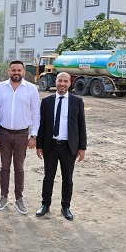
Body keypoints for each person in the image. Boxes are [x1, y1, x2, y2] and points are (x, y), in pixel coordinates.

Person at [35, 72, 87, 221]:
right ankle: (45, 204)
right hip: (50, 146)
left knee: (67, 179)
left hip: (69, 147)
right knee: (48, 177)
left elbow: (81, 126)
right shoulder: (47, 101)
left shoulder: (77, 101)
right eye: (59, 81)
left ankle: (66, 207)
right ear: (55, 82)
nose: (62, 84)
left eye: (65, 81)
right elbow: (42, 125)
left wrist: (82, 147)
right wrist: (39, 146)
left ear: (70, 83)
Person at [0, 60, 40, 215]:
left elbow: (36, 114)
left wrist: (34, 135)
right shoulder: (1, 87)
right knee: (4, 167)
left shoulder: (31, 89)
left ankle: (19, 198)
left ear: (23, 71)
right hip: (4, 133)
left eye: (19, 70)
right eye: (13, 70)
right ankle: (3, 196)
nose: (16, 73)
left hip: (22, 134)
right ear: (8, 71)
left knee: (19, 168)